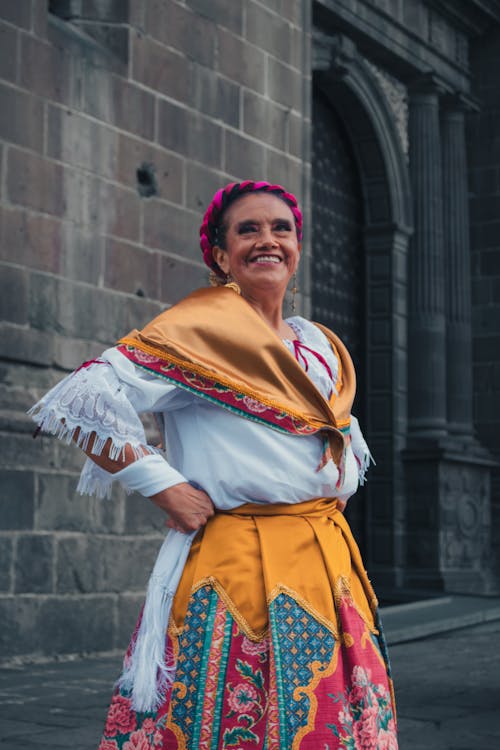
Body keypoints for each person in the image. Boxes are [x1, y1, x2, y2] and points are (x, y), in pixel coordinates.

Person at [29, 181, 398, 749]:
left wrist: (327, 493)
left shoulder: (318, 344)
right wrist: (162, 484)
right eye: (247, 230)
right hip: (235, 563)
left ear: (297, 248)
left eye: (281, 228)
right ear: (221, 257)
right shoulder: (195, 333)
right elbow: (82, 397)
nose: (267, 240)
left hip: (326, 563)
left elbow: (337, 433)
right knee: (226, 718)